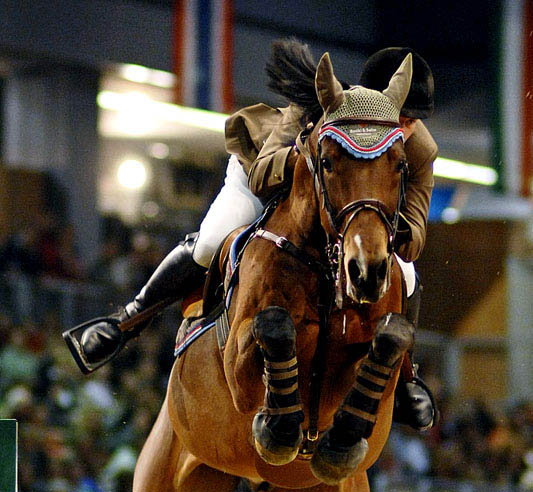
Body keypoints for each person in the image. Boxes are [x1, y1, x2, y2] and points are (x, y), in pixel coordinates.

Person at [64, 43, 436, 430]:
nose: (408, 129)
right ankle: (124, 322)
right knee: (211, 243)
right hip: (261, 181)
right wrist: (308, 160)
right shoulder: (314, 106)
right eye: (404, 118)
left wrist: (377, 219)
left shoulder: (420, 150)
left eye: (412, 121)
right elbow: (261, 175)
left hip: (358, 219)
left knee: (406, 275)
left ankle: (408, 375)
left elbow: (415, 233)